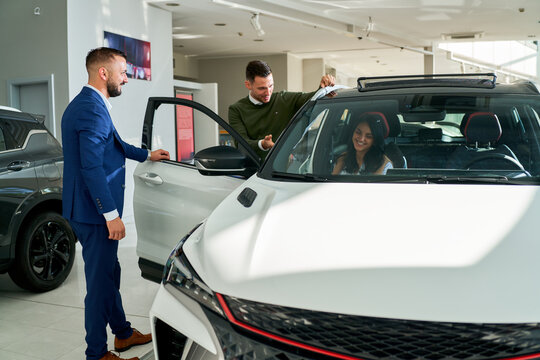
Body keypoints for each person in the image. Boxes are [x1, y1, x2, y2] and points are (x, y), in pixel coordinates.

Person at [61, 47, 170, 360]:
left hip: (84, 209)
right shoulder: (91, 109)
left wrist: (145, 154)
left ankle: (122, 334)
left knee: (110, 274)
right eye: (123, 72)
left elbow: (115, 144)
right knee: (98, 286)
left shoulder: (89, 104)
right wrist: (110, 215)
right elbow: (91, 167)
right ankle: (97, 354)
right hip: (93, 215)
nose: (127, 78)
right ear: (103, 73)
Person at [228, 60, 335, 159]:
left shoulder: (283, 99)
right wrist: (262, 144)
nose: (268, 92)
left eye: (271, 86)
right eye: (262, 88)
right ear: (248, 85)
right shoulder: (236, 109)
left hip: (281, 169)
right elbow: (241, 143)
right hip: (251, 171)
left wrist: (322, 88)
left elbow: (310, 98)